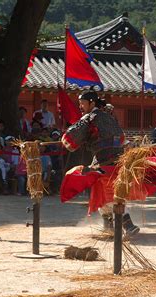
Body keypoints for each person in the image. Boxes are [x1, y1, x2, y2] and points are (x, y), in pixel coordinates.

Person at [61, 89, 139, 236]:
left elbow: (70, 138)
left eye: (82, 103)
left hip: (104, 163)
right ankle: (109, 228)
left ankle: (128, 226)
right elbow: (121, 138)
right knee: (103, 193)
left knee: (109, 194)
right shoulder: (108, 117)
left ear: (92, 103)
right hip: (115, 161)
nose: (80, 107)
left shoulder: (90, 118)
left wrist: (64, 139)